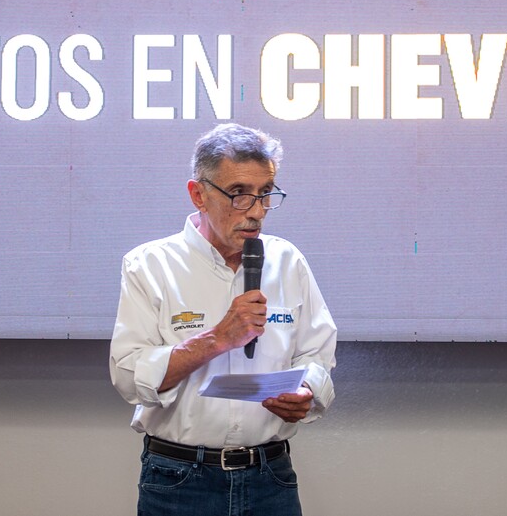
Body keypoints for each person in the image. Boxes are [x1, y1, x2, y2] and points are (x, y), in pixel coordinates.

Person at [110, 123, 337, 516]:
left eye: (265, 193)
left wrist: (306, 392)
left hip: (270, 476)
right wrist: (217, 339)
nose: (257, 211)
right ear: (198, 194)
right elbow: (129, 377)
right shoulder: (149, 265)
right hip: (179, 479)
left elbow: (316, 357)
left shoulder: (288, 261)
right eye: (239, 194)